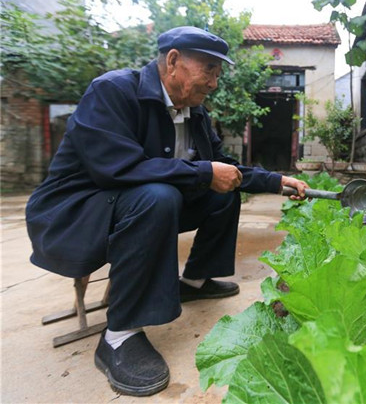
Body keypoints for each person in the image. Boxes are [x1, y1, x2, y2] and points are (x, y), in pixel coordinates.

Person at [25, 26, 309, 396]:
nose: (214, 83)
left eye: (218, 74)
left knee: (223, 193)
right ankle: (119, 335)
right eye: (209, 70)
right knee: (159, 196)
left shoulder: (194, 113)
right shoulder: (112, 91)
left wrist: (275, 181)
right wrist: (204, 173)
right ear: (173, 61)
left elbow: (221, 167)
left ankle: (192, 283)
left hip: (131, 207)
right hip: (74, 214)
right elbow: (116, 168)